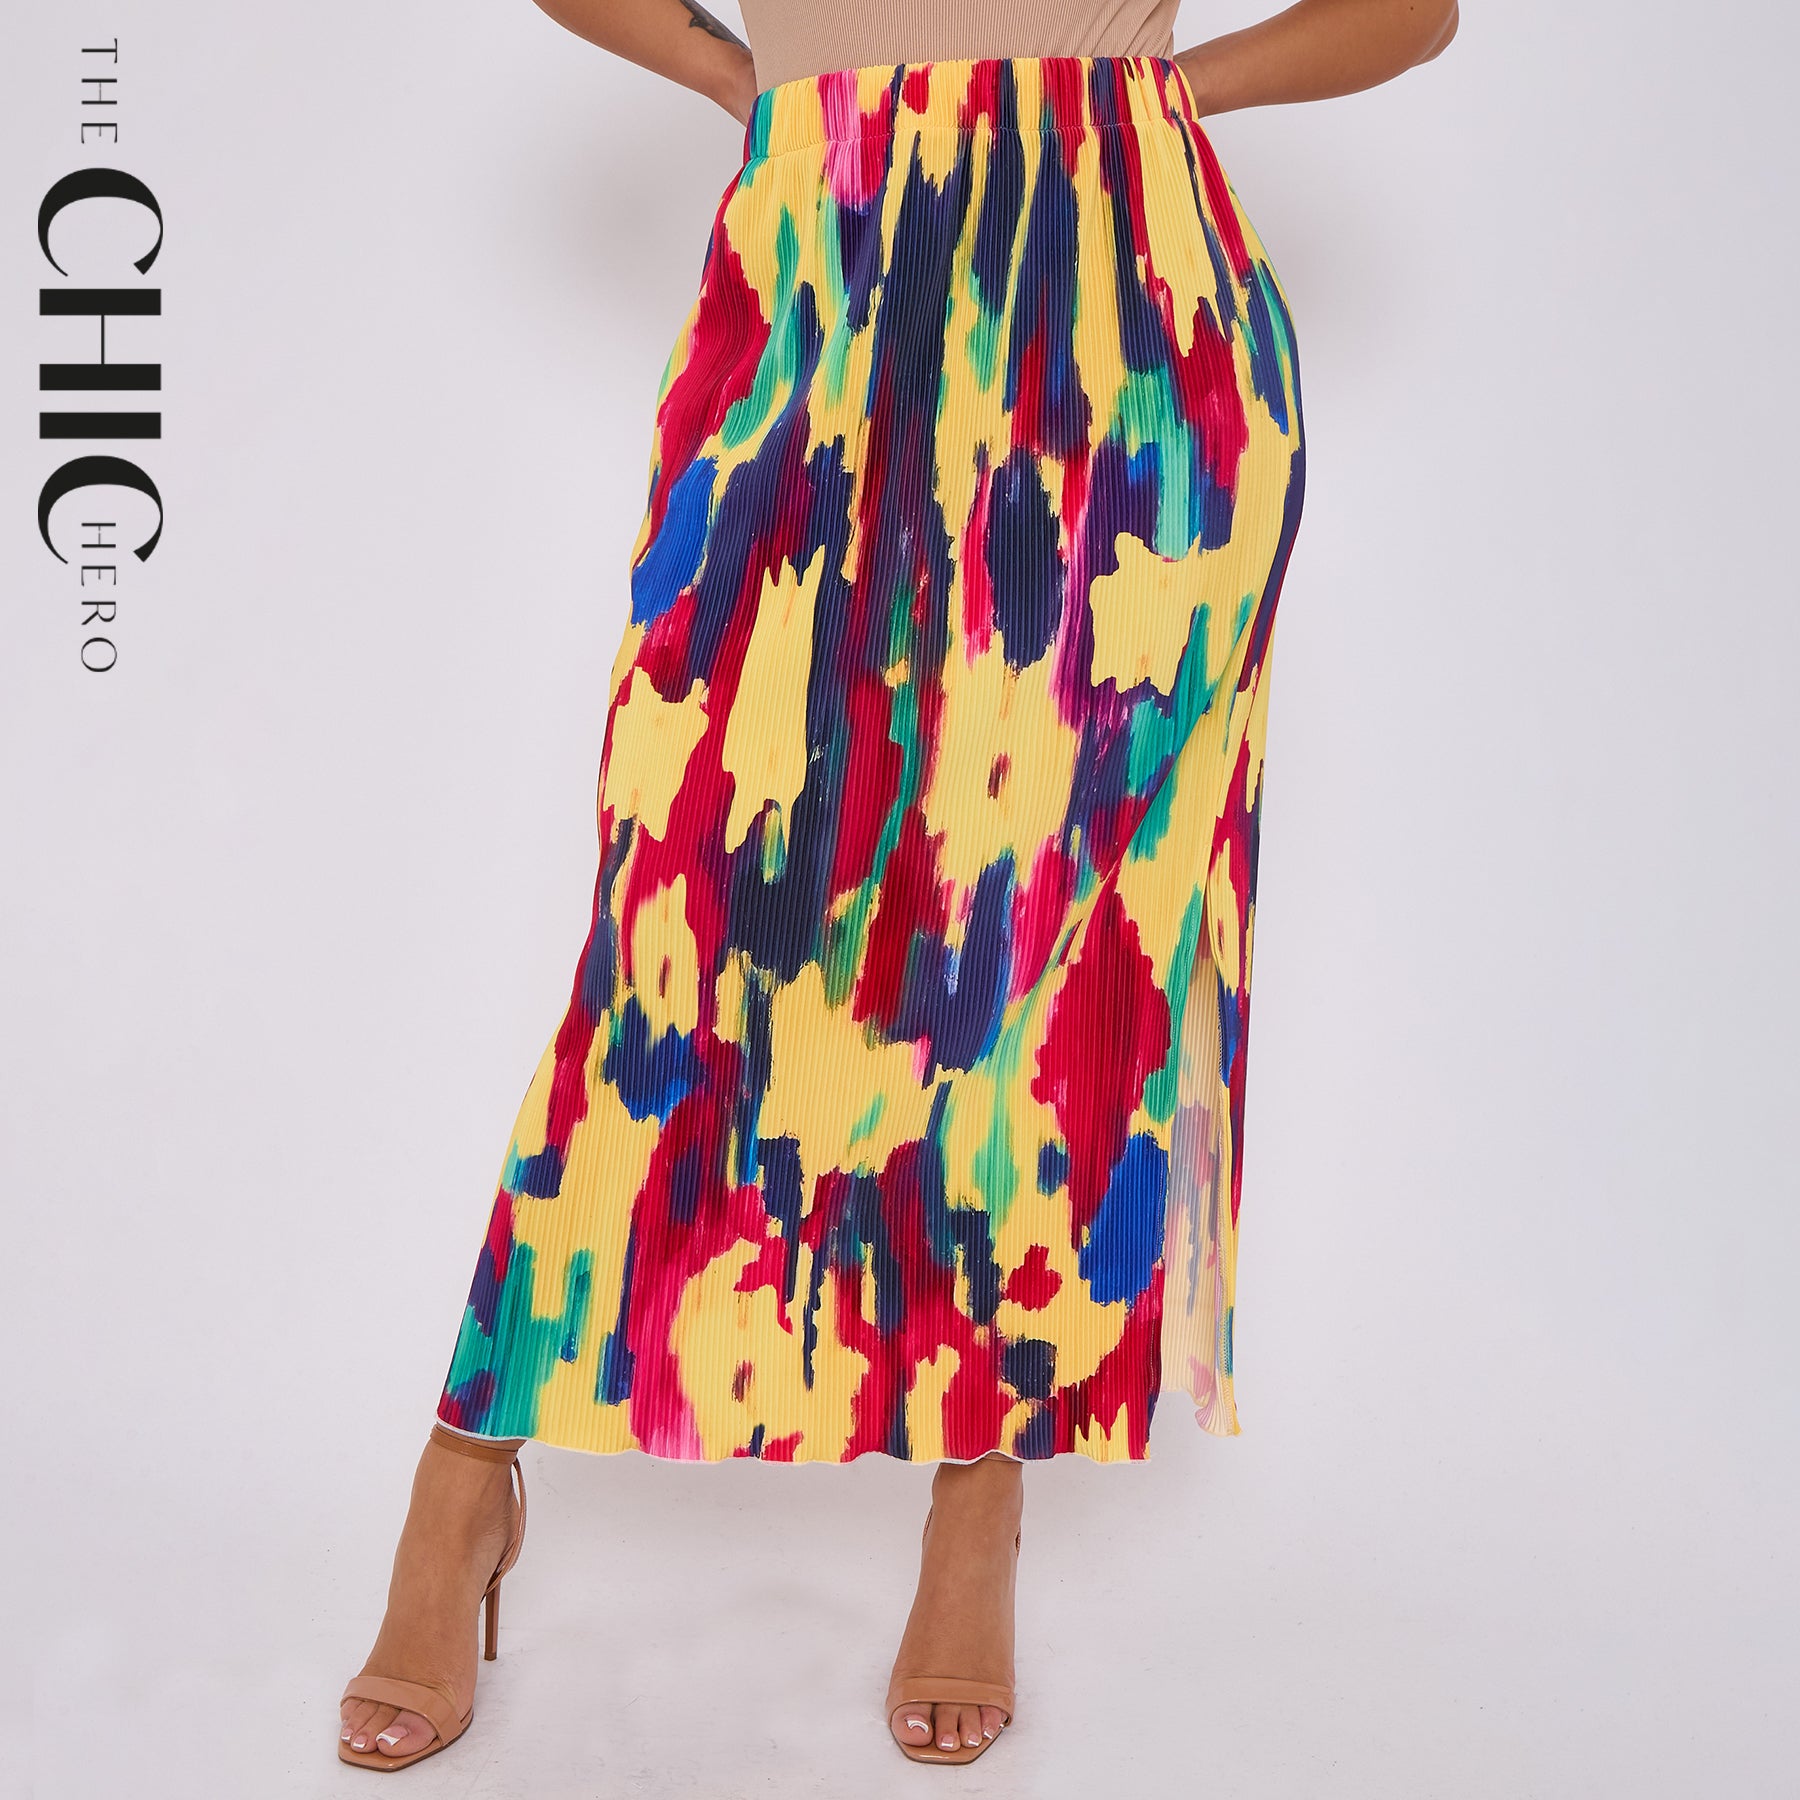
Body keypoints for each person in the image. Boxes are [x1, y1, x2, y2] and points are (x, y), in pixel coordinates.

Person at [337, 0, 1457, 1773]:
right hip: (822, 268)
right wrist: (742, 76)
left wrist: (1151, 97)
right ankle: (468, 1470)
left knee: (1027, 945)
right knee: (685, 921)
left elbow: (1411, 14)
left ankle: (979, 1494)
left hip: (1119, 322)